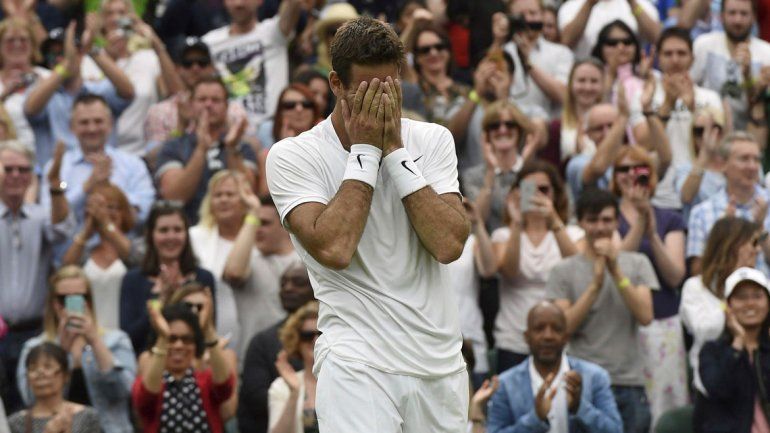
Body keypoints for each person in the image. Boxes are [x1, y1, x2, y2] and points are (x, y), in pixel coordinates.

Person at [266, 17, 471, 432]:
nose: (381, 99)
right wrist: (364, 148)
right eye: (366, 89)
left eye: (389, 86)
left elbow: (449, 244)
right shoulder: (292, 156)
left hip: (439, 363)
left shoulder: (432, 140)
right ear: (336, 84)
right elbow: (336, 248)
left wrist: (393, 149)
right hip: (355, 362)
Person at [547, 188, 657, 433]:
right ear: (581, 223)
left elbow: (646, 315)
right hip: (583, 384)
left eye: (607, 220)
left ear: (617, 221)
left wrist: (616, 272)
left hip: (629, 382)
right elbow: (564, 327)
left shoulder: (637, 263)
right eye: (592, 220)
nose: (600, 227)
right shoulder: (563, 270)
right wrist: (595, 286)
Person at [611, 145, 688, 424]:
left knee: (665, 408)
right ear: (614, 176)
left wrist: (652, 233)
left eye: (638, 169)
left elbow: (675, 275)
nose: (631, 175)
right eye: (623, 169)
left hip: (663, 321)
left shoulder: (670, 217)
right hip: (621, 324)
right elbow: (619, 262)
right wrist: (640, 220)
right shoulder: (607, 216)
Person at [0, 140, 74, 412]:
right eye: (8, 169)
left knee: (32, 410)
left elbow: (62, 229)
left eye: (23, 169)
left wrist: (55, 185)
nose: (16, 175)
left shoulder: (41, 215)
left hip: (34, 331)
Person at [16, 266, 136, 433]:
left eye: (81, 297)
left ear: (89, 301)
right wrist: (59, 352)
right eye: (64, 298)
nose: (71, 305)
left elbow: (125, 391)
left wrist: (95, 341)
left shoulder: (116, 340)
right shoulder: (34, 348)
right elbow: (30, 399)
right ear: (54, 304)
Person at [492, 159, 579, 372]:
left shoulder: (573, 234)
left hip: (558, 341)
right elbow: (509, 271)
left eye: (544, 189)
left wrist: (554, 219)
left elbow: (578, 268)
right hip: (513, 338)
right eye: (529, 189)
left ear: (556, 193)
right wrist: (517, 223)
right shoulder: (503, 235)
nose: (537, 195)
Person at [486, 301, 623, 433]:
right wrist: (536, 419)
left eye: (556, 329)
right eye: (539, 328)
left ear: (566, 337)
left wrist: (579, 407)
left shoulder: (595, 377)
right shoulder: (505, 384)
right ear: (527, 337)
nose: (548, 336)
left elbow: (615, 430)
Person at [79, 0, 183, 155]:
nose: (115, 19)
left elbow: (175, 93)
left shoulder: (148, 58)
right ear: (101, 22)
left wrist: (156, 44)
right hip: (96, 152)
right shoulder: (89, 61)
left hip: (141, 153)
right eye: (109, 13)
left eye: (122, 13)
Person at [39, 94, 156, 226]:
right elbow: (49, 219)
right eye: (84, 122)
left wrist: (109, 189)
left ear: (110, 124)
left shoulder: (133, 164)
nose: (92, 128)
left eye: (98, 121)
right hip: (71, 245)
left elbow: (145, 212)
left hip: (121, 244)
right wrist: (87, 186)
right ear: (72, 127)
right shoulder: (57, 168)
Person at [155, 76, 257, 224]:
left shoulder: (241, 147)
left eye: (215, 100)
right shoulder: (173, 147)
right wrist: (201, 149)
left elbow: (248, 195)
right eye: (202, 99)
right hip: (189, 232)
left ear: (227, 106)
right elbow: (174, 197)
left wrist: (231, 149)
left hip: (235, 233)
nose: (208, 105)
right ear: (191, 105)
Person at [680, 216, 763, 395]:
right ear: (733, 245)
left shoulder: (761, 287)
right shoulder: (695, 287)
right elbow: (706, 330)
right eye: (753, 243)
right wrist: (731, 301)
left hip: (758, 383)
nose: (758, 249)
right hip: (712, 384)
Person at [119, 200, 216, 353]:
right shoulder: (133, 280)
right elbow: (130, 338)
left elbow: (208, 332)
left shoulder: (203, 278)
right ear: (151, 235)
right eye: (163, 230)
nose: (171, 237)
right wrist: (161, 300)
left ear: (186, 234)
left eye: (177, 230)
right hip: (148, 365)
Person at [645, 27, 725, 210]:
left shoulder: (710, 97)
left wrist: (693, 108)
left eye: (681, 53)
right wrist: (667, 104)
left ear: (692, 57)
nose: (675, 60)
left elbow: (718, 145)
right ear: (658, 57)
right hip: (658, 194)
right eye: (668, 53)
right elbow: (645, 144)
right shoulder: (646, 96)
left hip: (699, 192)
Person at [23, 19, 134, 153]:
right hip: (56, 171)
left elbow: (128, 91)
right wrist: (66, 65)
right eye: (53, 55)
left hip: (104, 168)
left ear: (80, 55)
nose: (58, 59)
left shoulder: (99, 90)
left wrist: (91, 50)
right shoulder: (44, 94)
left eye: (63, 53)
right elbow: (31, 109)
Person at [138, 283, 239, 423]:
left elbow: (227, 412)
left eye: (200, 308)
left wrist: (207, 334)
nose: (195, 312)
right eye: (187, 306)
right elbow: (143, 408)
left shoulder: (224, 355)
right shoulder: (150, 357)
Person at [143, 37, 254, 164]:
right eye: (188, 63)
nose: (195, 68)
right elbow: (152, 160)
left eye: (202, 62)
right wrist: (181, 127)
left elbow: (255, 149)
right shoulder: (159, 111)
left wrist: (226, 125)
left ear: (212, 67)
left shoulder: (233, 108)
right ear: (177, 69)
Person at [222, 178, 299, 358]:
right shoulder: (249, 261)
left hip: (300, 359)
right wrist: (253, 213)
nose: (257, 229)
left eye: (264, 223)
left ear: (285, 225)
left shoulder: (305, 262)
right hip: (254, 359)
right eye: (253, 223)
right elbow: (233, 272)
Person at [238, 264, 314, 433]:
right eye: (283, 283)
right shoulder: (262, 342)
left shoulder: (337, 336)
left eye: (298, 282)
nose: (288, 288)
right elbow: (255, 397)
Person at [202, 0, 304, 126]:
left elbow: (294, 3)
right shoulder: (209, 42)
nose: (239, 4)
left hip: (272, 126)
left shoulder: (273, 32)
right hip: (227, 128)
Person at [696, 266, 770, 432]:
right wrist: (737, 343)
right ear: (728, 306)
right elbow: (718, 388)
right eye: (741, 297)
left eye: (757, 296)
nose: (750, 303)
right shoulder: (712, 351)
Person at [686, 132, 770, 275]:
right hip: (720, 294)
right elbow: (698, 273)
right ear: (723, 164)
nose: (752, 166)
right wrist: (725, 234)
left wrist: (761, 228)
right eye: (744, 159)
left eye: (756, 160)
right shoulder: (701, 213)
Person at [61, 184, 141, 330]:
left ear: (124, 212)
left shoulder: (137, 244)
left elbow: (135, 257)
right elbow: (66, 268)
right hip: (89, 333)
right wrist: (86, 230)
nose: (105, 213)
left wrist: (106, 224)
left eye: (112, 207)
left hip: (127, 334)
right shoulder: (87, 252)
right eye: (99, 209)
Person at [189, 170, 249, 353]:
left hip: (250, 330)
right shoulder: (194, 237)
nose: (223, 200)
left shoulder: (257, 237)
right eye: (217, 195)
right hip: (207, 335)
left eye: (230, 194)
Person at [690, 0, 770, 130]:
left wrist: (748, 75)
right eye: (732, 13)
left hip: (748, 137)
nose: (737, 20)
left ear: (754, 17)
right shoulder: (703, 45)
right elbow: (690, 89)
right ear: (721, 15)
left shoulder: (767, 54)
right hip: (706, 131)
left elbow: (760, 109)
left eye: (744, 14)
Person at [462, 101, 539, 231]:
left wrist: (525, 170)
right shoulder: (472, 176)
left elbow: (530, 219)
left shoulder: (536, 173)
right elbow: (476, 221)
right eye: (494, 126)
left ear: (519, 131)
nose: (502, 130)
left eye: (510, 124)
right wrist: (490, 174)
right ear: (486, 135)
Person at [445, 198, 497, 386]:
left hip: (470, 331)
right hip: (437, 335)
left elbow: (490, 270)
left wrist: (477, 224)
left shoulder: (472, 241)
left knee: (476, 410)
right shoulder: (424, 239)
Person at [500, 0, 574, 120]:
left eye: (533, 13)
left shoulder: (561, 53)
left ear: (542, 16)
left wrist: (528, 63)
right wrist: (498, 40)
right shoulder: (502, 52)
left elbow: (565, 96)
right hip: (510, 126)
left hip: (550, 129)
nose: (528, 19)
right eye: (521, 15)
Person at [7, 342, 100, 433]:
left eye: (48, 367)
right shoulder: (16, 423)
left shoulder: (87, 417)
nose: (40, 374)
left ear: (65, 375)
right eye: (33, 368)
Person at [255, 84, 323, 196]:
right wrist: (285, 152)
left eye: (306, 104)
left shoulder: (327, 144)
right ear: (280, 113)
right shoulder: (266, 156)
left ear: (314, 110)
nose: (299, 109)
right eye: (290, 105)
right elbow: (267, 197)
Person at [0, 18, 50, 166]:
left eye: (23, 40)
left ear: (33, 45)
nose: (17, 44)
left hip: (46, 159)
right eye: (10, 40)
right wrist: (5, 94)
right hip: (7, 165)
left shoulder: (48, 77)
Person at [267, 301, 319, 433]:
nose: (315, 340)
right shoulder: (281, 386)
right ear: (296, 340)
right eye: (307, 336)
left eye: (321, 334)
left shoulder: (348, 380)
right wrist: (294, 393)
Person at [558, 0, 660, 58]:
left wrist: (632, 3)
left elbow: (658, 39)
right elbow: (566, 42)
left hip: (632, 81)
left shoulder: (642, 4)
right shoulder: (571, 6)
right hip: (589, 82)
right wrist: (589, 4)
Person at [673, 107, 726, 222]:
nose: (705, 136)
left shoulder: (740, 165)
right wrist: (705, 153)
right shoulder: (685, 169)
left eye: (714, 129)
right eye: (699, 131)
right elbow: (686, 197)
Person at [553, 57, 606, 162]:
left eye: (594, 81)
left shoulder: (613, 124)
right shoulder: (556, 127)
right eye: (581, 81)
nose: (587, 87)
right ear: (571, 84)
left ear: (602, 85)